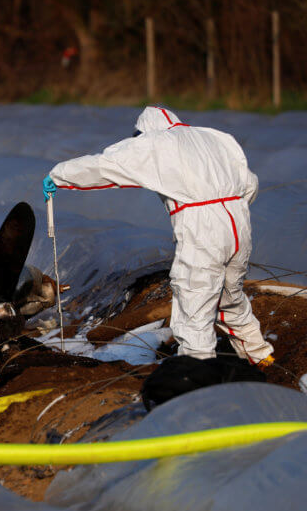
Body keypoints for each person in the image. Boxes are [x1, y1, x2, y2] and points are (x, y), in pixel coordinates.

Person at [42, 106, 274, 367]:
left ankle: (198, 374)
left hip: (202, 226)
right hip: (238, 221)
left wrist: (59, 175)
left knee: (193, 305)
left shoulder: (156, 142)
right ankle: (261, 357)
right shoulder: (216, 137)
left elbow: (105, 165)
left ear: (144, 132)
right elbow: (250, 183)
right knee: (229, 297)